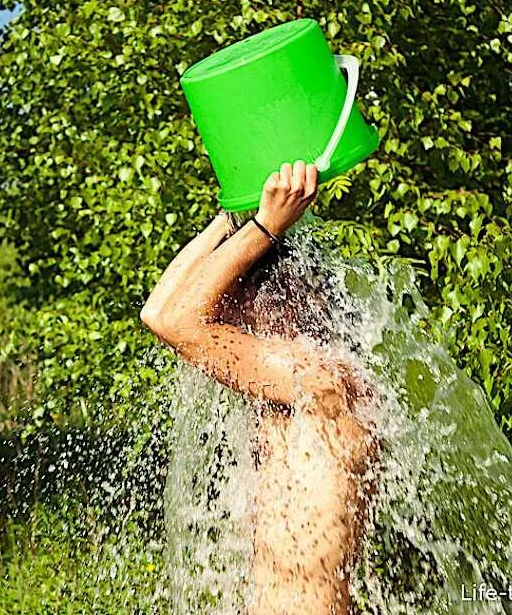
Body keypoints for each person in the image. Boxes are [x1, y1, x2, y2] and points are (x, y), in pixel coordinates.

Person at [141, 161, 377, 614]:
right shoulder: (297, 390)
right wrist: (236, 214)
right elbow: (157, 312)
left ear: (281, 304)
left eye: (235, 310)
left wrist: (266, 227)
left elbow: (177, 321)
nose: (231, 328)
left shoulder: (321, 383)